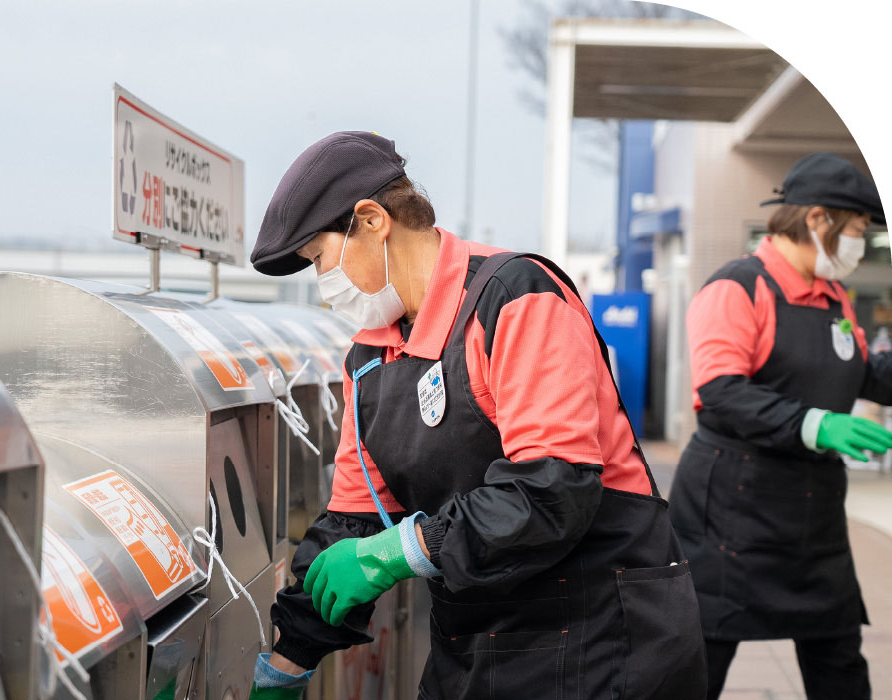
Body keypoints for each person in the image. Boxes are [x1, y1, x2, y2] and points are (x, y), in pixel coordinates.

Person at [247, 131, 706, 700]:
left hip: (598, 634)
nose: (323, 287)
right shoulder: (371, 359)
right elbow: (356, 519)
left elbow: (553, 490)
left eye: (320, 258)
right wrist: (290, 659)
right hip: (479, 635)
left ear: (371, 221)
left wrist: (403, 550)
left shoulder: (515, 298)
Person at [667, 152, 892, 700]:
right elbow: (721, 392)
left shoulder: (833, 297)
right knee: (699, 661)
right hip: (732, 514)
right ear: (818, 220)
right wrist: (817, 424)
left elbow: (863, 374)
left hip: (812, 515)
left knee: (838, 659)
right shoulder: (739, 287)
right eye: (858, 229)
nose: (860, 242)